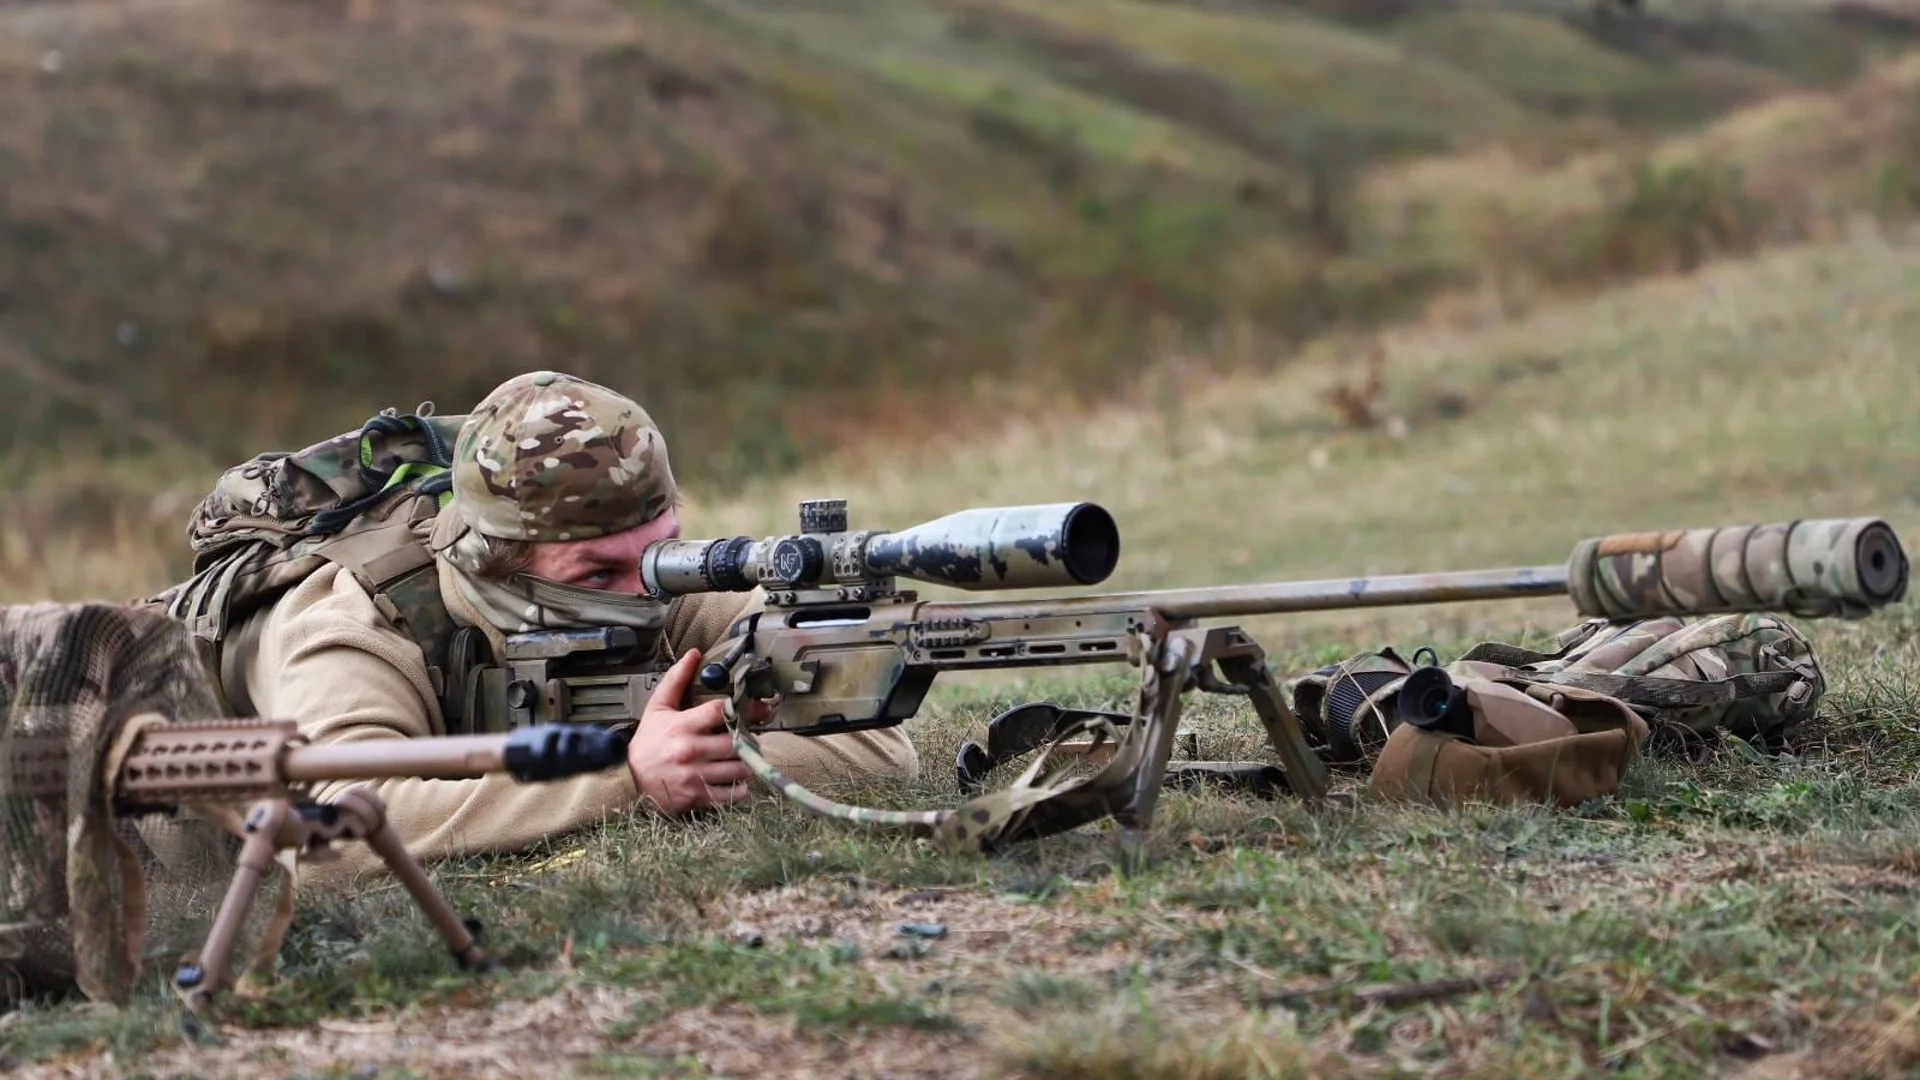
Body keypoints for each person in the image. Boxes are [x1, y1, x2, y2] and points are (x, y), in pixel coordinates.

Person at [212, 371, 918, 879]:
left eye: (661, 552)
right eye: (598, 576)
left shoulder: (665, 579)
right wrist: (625, 778)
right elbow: (329, 840)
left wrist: (702, 755)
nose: (647, 593)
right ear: (497, 562)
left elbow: (877, 748)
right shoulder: (355, 625)